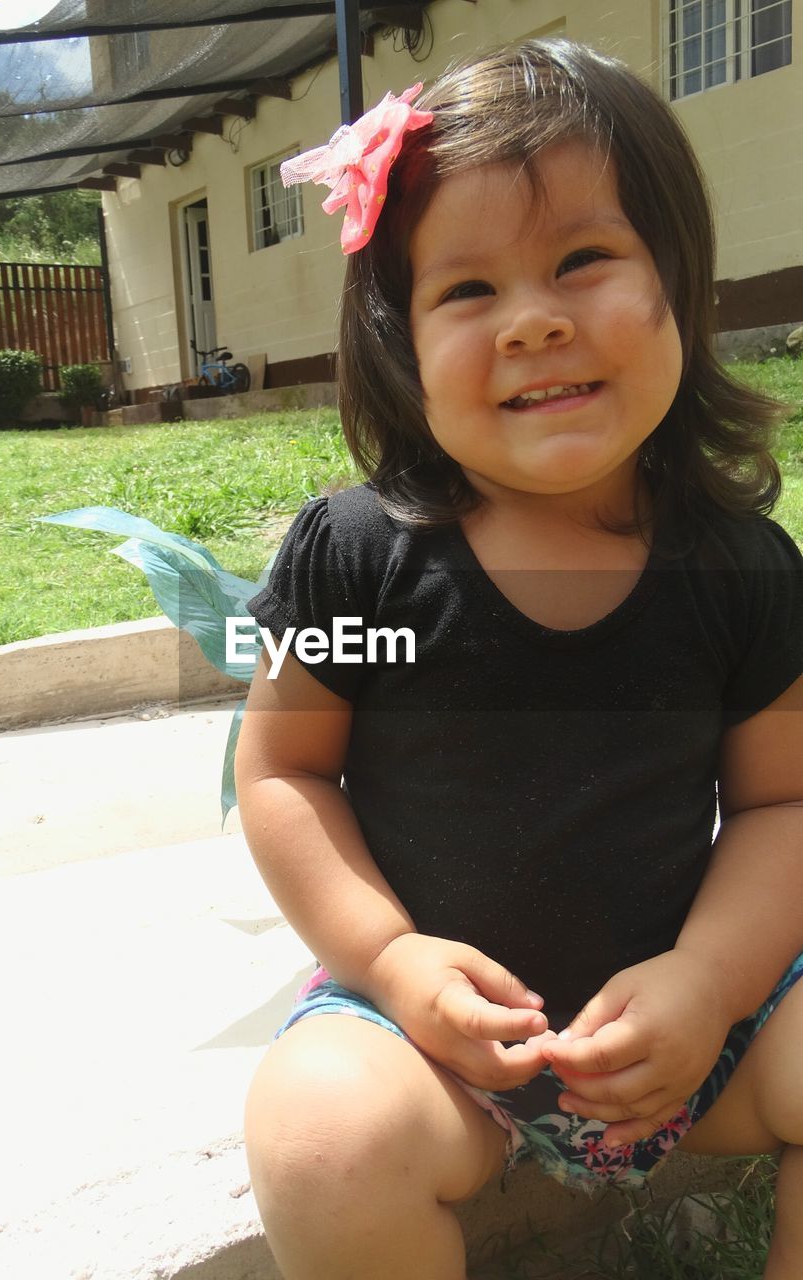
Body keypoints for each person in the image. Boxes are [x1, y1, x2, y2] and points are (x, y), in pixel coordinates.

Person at [235, 38, 803, 1280]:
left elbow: (784, 801)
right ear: (397, 337)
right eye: (467, 290)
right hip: (437, 1049)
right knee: (322, 1137)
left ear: (681, 279)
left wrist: (711, 978)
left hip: (702, 1032)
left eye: (584, 260)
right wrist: (389, 957)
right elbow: (282, 770)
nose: (535, 318)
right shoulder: (358, 557)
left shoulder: (742, 567)